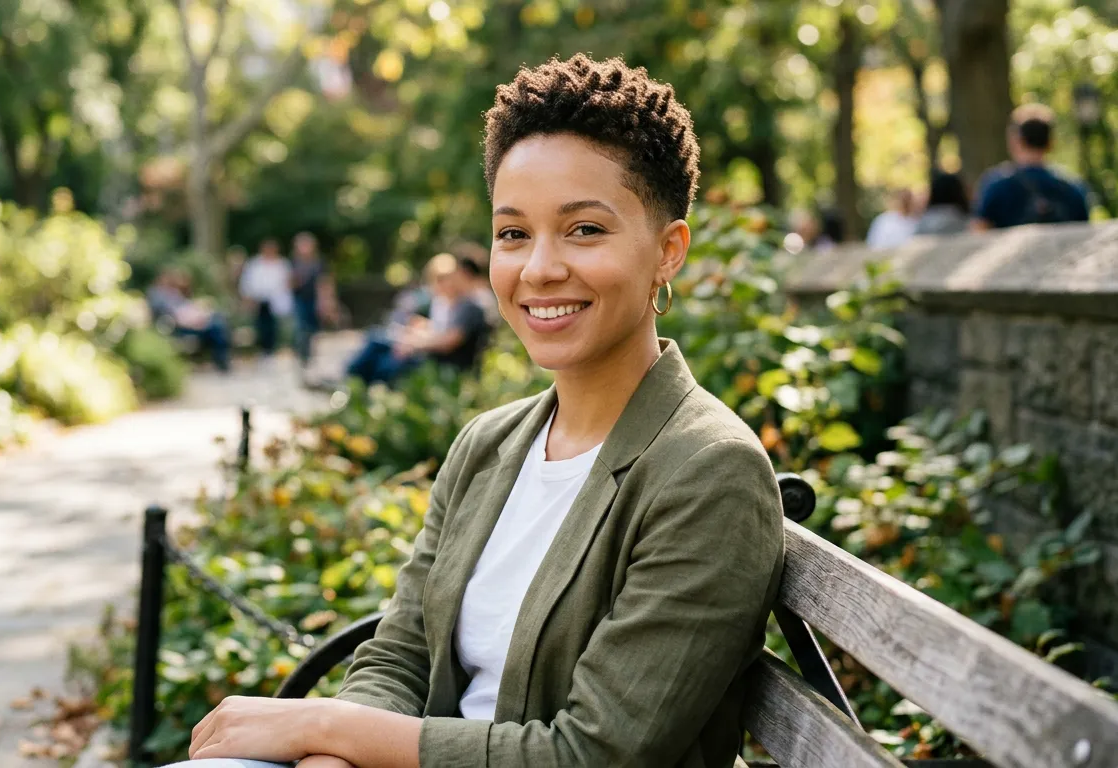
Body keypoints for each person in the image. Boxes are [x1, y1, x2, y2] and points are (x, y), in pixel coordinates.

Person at [166, 54, 784, 768]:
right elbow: (399, 656)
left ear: (668, 251)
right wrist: (332, 761)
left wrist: (328, 731)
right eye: (513, 233)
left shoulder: (709, 472)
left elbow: (593, 755)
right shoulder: (488, 445)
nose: (539, 268)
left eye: (584, 230)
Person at [345, 253, 488, 385]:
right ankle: (351, 384)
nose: (444, 284)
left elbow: (449, 341)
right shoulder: (446, 304)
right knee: (377, 343)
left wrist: (414, 344)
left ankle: (355, 388)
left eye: (446, 279)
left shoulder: (468, 307)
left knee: (386, 363)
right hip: (433, 356)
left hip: (445, 365)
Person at [971, 103, 1090, 231]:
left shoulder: (995, 185)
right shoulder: (1073, 187)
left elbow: (979, 232)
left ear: (1016, 140)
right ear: (1050, 142)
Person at [146, 268, 231, 372]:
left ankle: (221, 361)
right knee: (216, 329)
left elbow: (186, 306)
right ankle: (221, 362)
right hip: (179, 326)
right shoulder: (157, 294)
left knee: (217, 323)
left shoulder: (174, 293)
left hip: (191, 321)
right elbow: (169, 314)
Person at [289, 232, 339, 374]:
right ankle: (301, 355)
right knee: (301, 327)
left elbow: (326, 282)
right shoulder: (293, 262)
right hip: (299, 299)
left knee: (312, 329)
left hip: (315, 299)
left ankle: (308, 355)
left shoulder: (319, 262)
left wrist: (327, 301)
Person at [238, 239, 293, 359]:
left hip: (276, 301)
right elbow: (247, 283)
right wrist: (248, 298)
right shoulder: (254, 264)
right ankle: (264, 349)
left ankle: (273, 349)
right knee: (261, 326)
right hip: (259, 300)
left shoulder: (282, 264)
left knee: (274, 326)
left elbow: (287, 283)